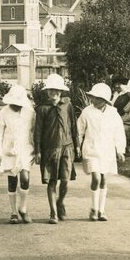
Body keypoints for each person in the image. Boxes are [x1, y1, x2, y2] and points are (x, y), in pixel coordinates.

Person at [76, 82, 126, 221]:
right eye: (92, 97)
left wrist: (120, 150)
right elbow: (79, 130)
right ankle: (93, 208)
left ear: (104, 100)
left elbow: (119, 132)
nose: (93, 100)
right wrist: (77, 145)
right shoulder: (87, 111)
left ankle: (101, 210)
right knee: (96, 177)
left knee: (103, 179)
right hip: (91, 149)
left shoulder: (113, 113)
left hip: (107, 151)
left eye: (97, 98)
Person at [33, 74, 79, 224]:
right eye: (50, 91)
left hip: (67, 148)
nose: (53, 93)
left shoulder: (68, 106)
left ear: (61, 92)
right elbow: (38, 131)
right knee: (52, 181)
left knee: (65, 181)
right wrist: (38, 150)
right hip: (49, 149)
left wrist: (77, 145)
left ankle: (60, 203)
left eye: (56, 91)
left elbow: (73, 125)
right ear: (47, 92)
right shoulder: (42, 109)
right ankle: (53, 213)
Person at [0, 84, 36, 223]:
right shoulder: (4, 112)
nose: (16, 106)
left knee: (25, 177)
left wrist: (36, 149)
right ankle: (13, 212)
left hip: (25, 148)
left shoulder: (30, 112)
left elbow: (34, 130)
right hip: (9, 150)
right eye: (13, 103)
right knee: (12, 180)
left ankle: (23, 208)